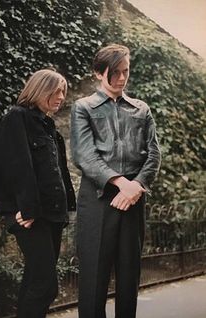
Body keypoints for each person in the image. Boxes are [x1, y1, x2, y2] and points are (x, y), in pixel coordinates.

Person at [70, 44, 161, 318]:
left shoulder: (141, 109)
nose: (122, 78)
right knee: (93, 279)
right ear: (99, 73)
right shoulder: (83, 107)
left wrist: (138, 186)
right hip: (98, 200)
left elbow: (154, 153)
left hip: (133, 200)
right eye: (115, 73)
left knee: (128, 276)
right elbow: (84, 155)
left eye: (126, 72)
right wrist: (124, 184)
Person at [0, 69, 76, 318]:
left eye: (64, 91)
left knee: (35, 281)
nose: (61, 97)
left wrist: (65, 208)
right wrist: (26, 208)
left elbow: (58, 173)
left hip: (51, 215)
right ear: (39, 89)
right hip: (30, 215)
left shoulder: (49, 127)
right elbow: (16, 164)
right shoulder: (17, 117)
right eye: (56, 90)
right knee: (45, 285)